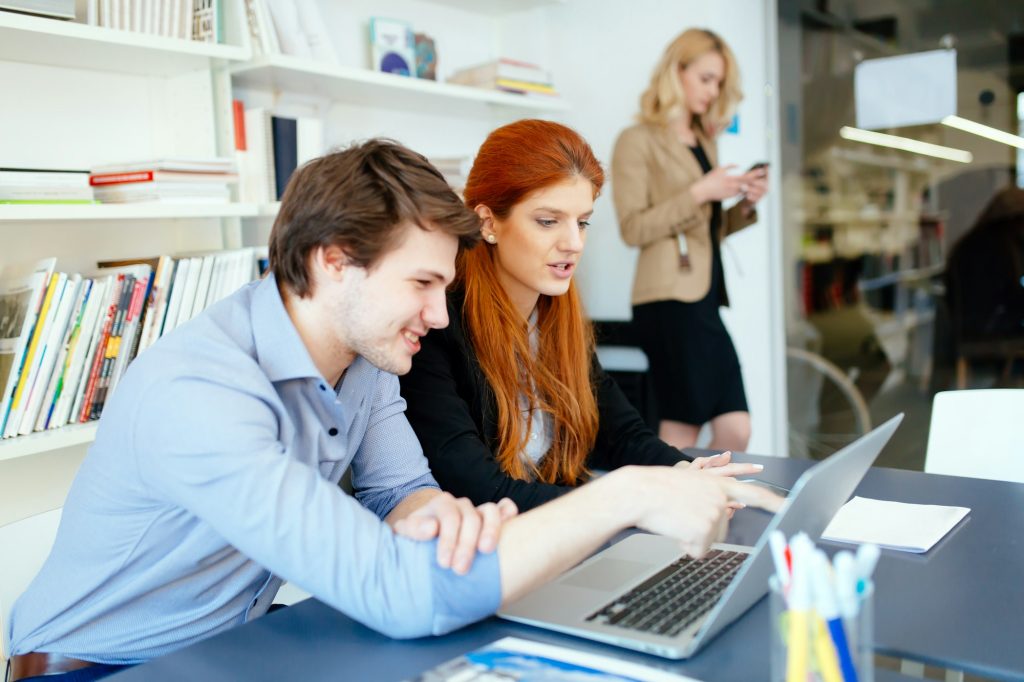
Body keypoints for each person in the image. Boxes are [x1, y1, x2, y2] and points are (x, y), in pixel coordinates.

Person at [6, 140, 781, 682]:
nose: (442, 317)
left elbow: (397, 492)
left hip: (235, 646)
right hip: (104, 668)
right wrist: (629, 493)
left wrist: (429, 514)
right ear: (333, 261)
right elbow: (398, 594)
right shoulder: (198, 394)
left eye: (445, 288)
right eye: (421, 285)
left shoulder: (365, 361)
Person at [400, 119, 763, 512]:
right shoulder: (437, 326)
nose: (573, 243)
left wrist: (686, 471)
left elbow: (621, 433)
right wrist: (637, 504)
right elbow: (481, 488)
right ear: (488, 222)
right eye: (547, 221)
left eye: (583, 221)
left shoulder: (555, 316)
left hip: (562, 543)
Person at [611, 28, 769, 451]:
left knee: (736, 428)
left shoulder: (704, 141)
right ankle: (675, 508)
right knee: (682, 429)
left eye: (718, 82)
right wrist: (701, 191)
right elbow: (633, 227)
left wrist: (745, 204)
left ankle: (713, 502)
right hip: (667, 302)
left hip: (704, 299)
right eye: (705, 78)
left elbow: (706, 232)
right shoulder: (636, 140)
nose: (712, 90)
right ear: (676, 72)